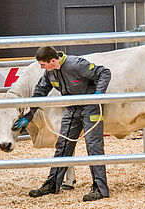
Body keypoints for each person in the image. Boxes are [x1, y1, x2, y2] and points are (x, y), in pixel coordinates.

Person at [12, 46, 111, 201]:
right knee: (63, 144)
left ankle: (100, 189)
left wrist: (98, 94)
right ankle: (52, 184)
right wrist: (29, 115)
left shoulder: (76, 64)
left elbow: (104, 72)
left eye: (43, 65)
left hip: (91, 107)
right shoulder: (50, 72)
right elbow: (40, 92)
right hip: (71, 108)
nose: (41, 68)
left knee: (93, 146)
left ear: (52, 61)